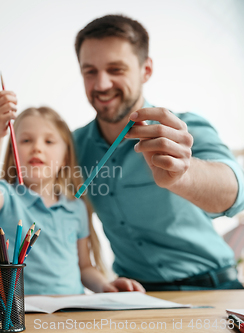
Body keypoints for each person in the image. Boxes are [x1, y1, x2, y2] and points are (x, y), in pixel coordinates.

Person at [71, 15, 244, 290]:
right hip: (134, 295)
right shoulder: (72, 146)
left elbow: (236, 193)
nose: (101, 84)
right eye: (90, 71)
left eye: (116, 69)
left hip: (213, 288)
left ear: (146, 70)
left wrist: (184, 176)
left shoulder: (184, 130)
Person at [0, 103, 144, 294]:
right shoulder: (6, 197)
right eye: (26, 140)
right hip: (19, 317)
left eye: (49, 142)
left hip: (71, 314)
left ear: (65, 157)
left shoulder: (76, 208)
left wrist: (105, 286)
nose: (37, 148)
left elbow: (84, 267)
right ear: (13, 151)